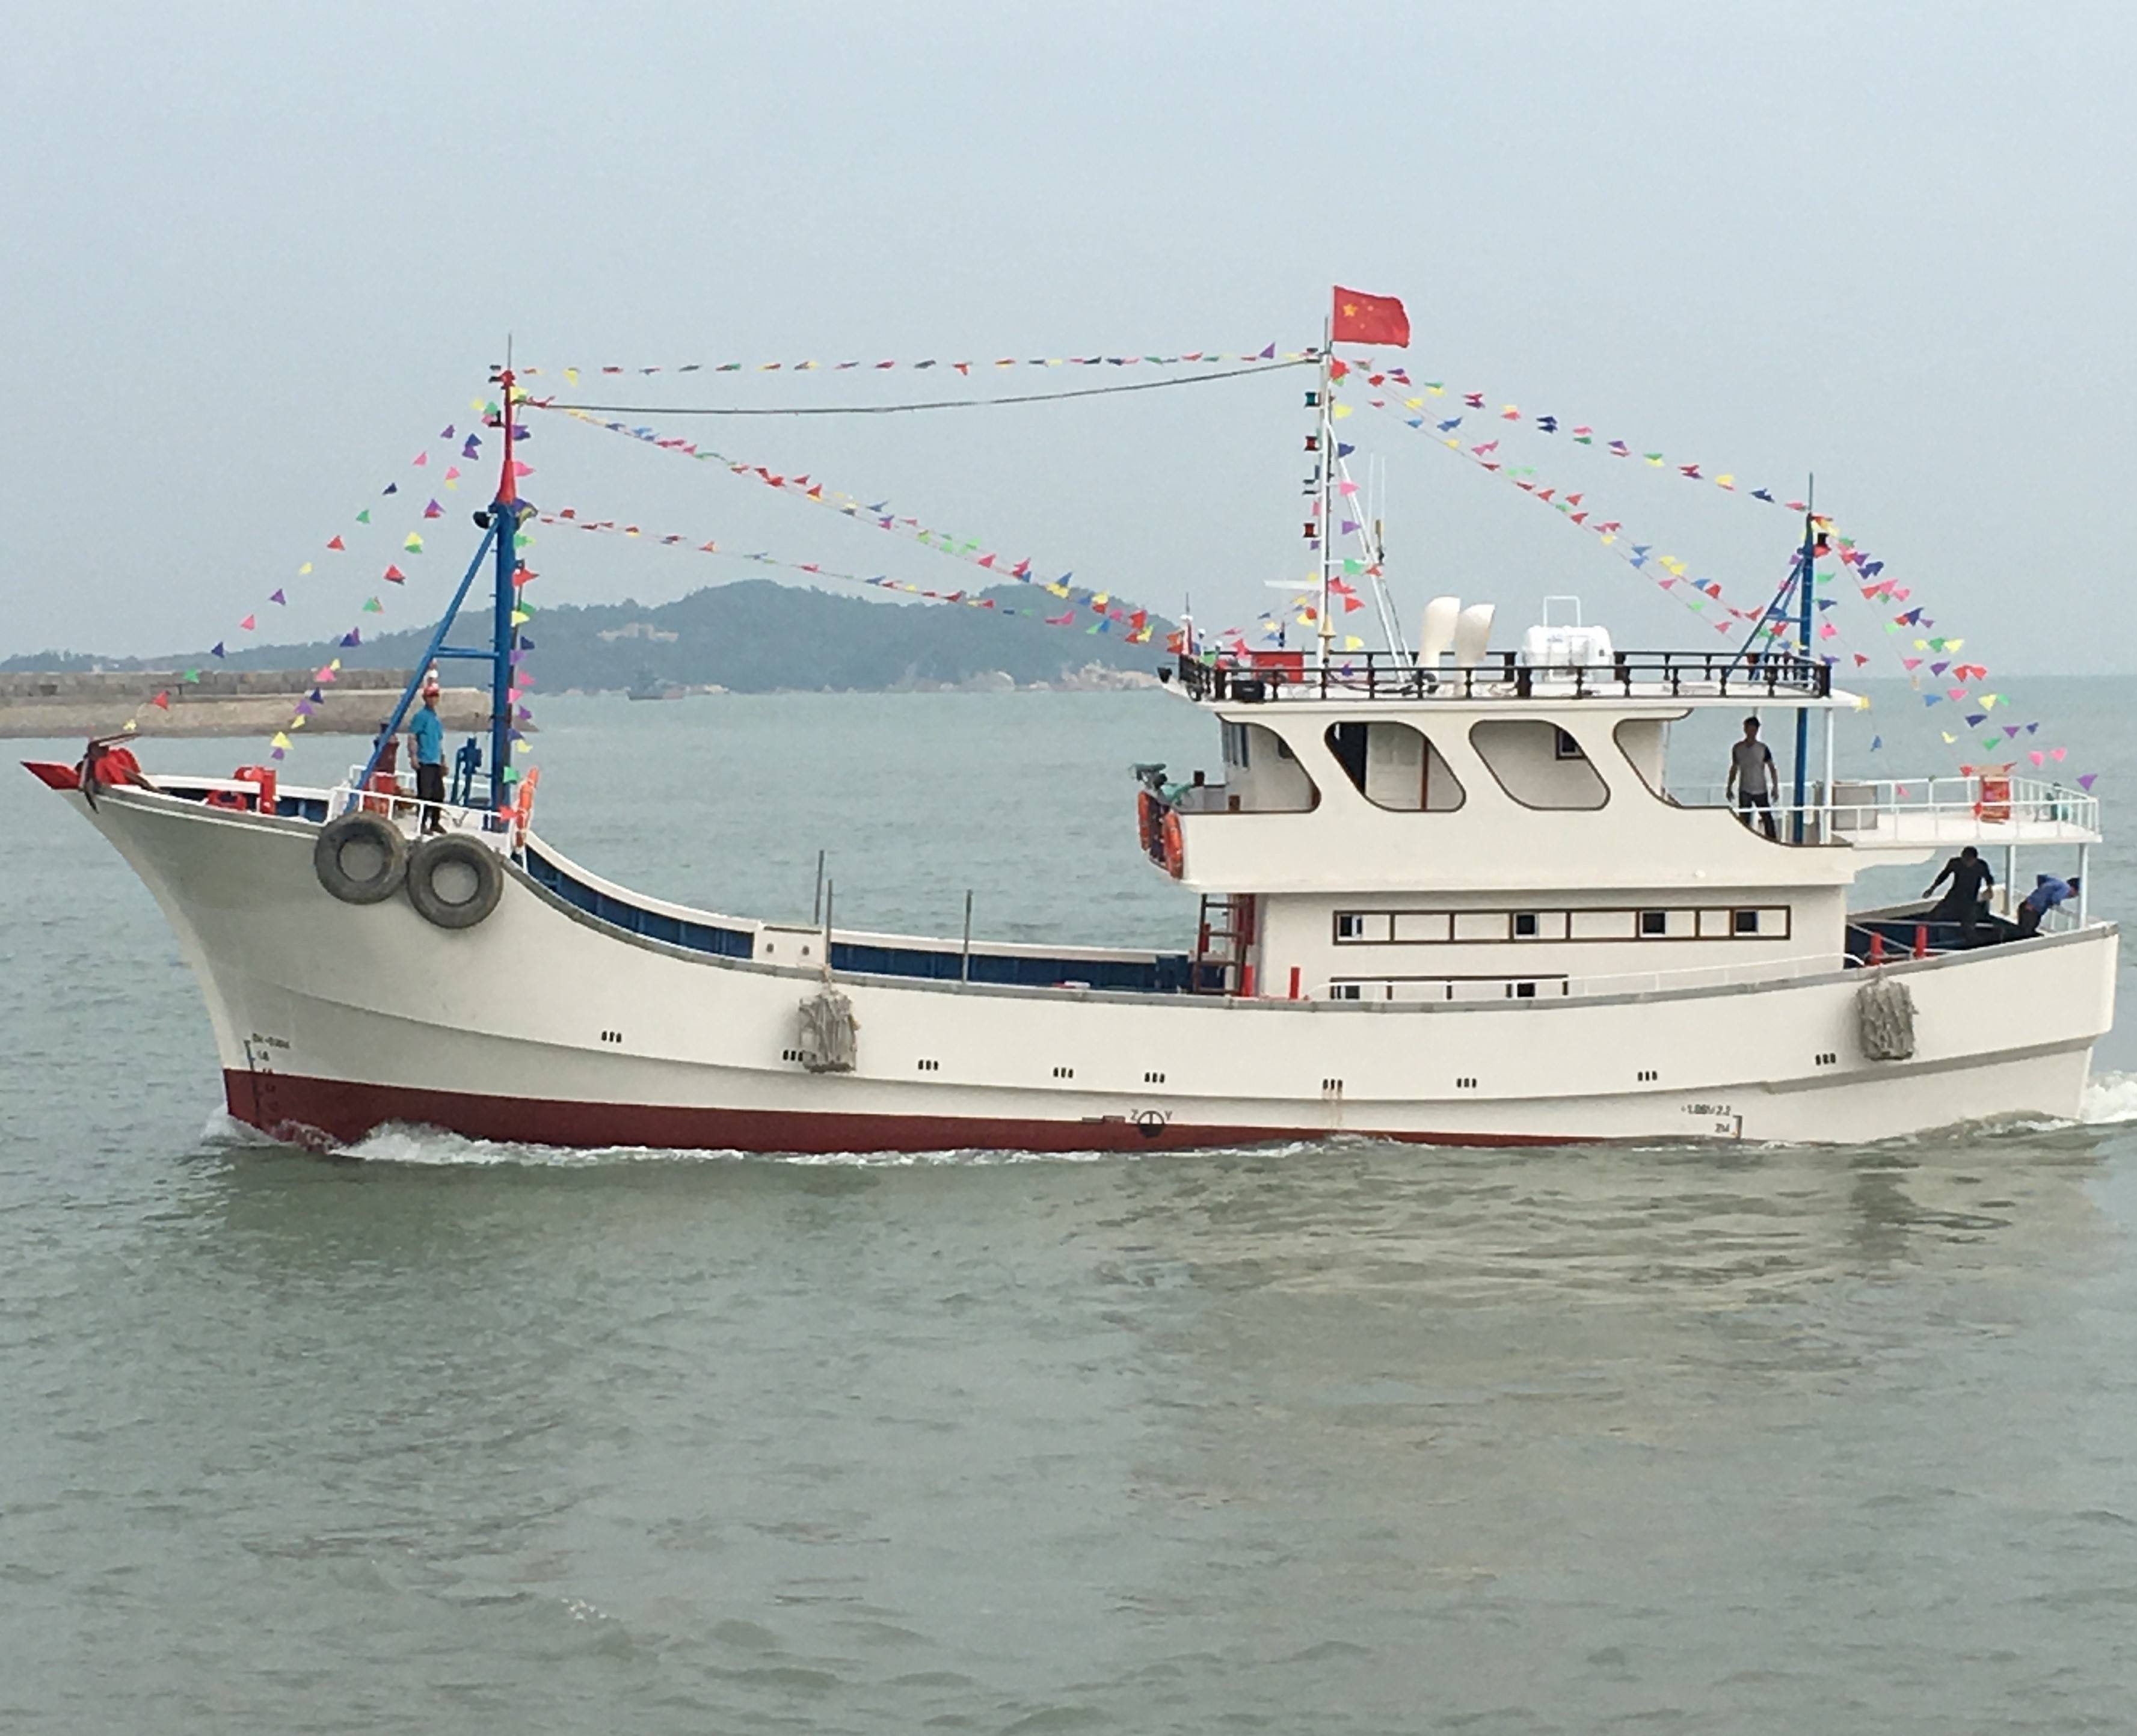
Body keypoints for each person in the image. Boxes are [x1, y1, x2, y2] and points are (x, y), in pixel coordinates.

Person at [1923, 845, 1994, 944]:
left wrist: (1990, 889)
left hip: (1970, 900)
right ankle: (1924, 938)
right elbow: (1943, 876)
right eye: (1964, 859)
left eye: (1969, 860)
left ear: (1975, 859)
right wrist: (1932, 889)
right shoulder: (1956, 863)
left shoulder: (1981, 866)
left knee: (1968, 927)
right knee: (1933, 916)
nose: (1966, 863)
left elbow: (1989, 879)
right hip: (1954, 896)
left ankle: (1978, 944)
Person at [1726, 716, 1779, 840]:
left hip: (1760, 788)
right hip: (1745, 788)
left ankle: (1772, 840)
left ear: (1757, 730)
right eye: (1748, 729)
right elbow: (1734, 768)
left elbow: (1772, 768)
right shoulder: (1738, 748)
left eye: (1753, 730)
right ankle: (1744, 840)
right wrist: (1729, 787)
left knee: (1767, 818)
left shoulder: (1763, 749)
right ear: (1745, 729)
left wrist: (1775, 787)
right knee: (1744, 819)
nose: (1750, 732)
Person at [408, 678, 446, 835]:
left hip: (435, 761)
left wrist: (443, 761)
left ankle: (435, 823)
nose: (433, 698)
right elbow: (412, 736)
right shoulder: (421, 716)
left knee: (439, 794)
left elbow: (439, 742)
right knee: (425, 794)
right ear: (425, 698)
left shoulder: (435, 719)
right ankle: (422, 824)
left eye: (435, 695)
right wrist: (413, 756)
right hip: (425, 761)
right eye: (430, 696)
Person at [2016, 873, 2080, 938]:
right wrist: (2057, 903)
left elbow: (2040, 877)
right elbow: (2055, 898)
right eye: (2076, 894)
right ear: (2074, 890)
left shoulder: (2056, 882)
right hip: (2032, 910)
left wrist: (2042, 892)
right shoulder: (2066, 888)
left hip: (2025, 905)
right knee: (2027, 934)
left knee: (2023, 930)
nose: (2073, 897)